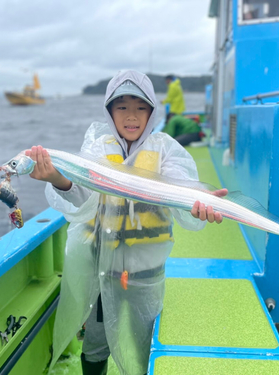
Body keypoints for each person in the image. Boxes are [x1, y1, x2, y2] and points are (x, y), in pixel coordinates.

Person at [25, 70, 227, 375]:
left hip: (146, 275)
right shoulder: (97, 149)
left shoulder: (164, 150)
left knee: (141, 342)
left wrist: (200, 204)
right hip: (101, 271)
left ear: (151, 112)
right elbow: (80, 197)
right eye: (122, 107)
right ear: (109, 112)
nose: (131, 116)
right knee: (95, 343)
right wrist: (56, 178)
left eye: (140, 107)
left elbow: (182, 187)